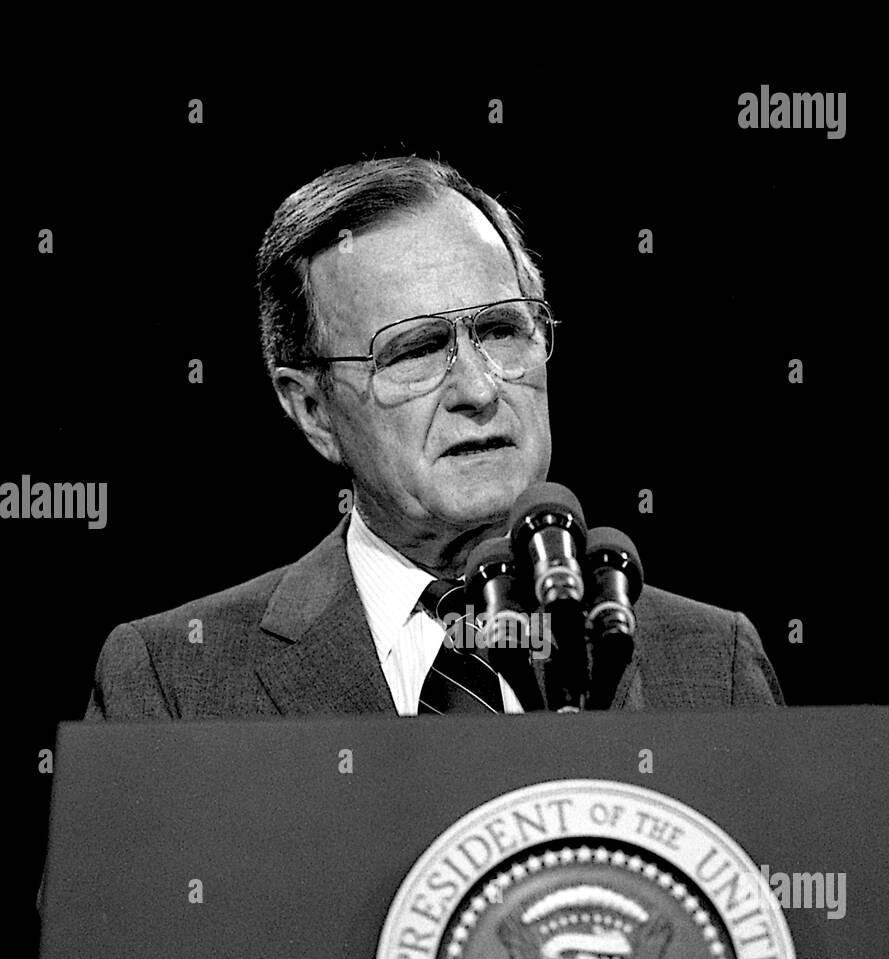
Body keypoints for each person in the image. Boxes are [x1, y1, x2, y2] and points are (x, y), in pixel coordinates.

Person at [85, 156, 783, 720]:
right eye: (415, 351)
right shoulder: (175, 681)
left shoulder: (708, 663)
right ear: (311, 410)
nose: (478, 390)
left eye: (502, 331)